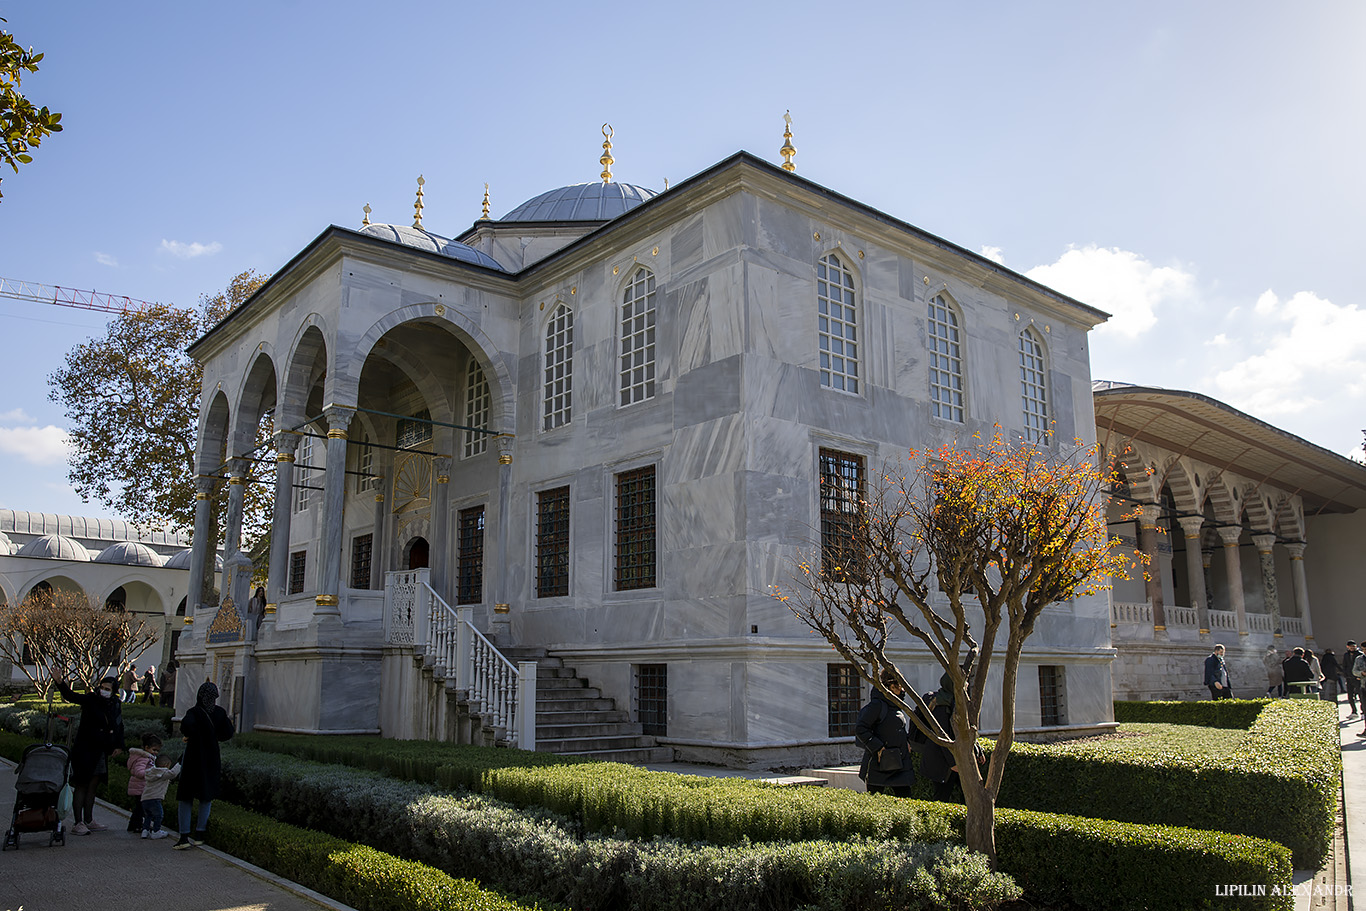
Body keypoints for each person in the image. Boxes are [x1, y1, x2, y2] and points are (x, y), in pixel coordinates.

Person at [55, 673, 125, 836]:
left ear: (113, 691)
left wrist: (119, 745)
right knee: (82, 784)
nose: (104, 691)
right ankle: (78, 822)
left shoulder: (115, 703)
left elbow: (119, 724)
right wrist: (60, 682)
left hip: (101, 750)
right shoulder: (91, 699)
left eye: (108, 689)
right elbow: (71, 696)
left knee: (93, 785)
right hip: (85, 749)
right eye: (102, 688)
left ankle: (89, 819)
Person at [174, 681, 235, 849]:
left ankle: (184, 836)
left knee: (186, 796)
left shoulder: (194, 712)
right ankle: (200, 834)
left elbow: (186, 727)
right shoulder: (220, 713)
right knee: (206, 796)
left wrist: (193, 735)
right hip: (211, 756)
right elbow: (228, 733)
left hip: (194, 755)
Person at [854, 669, 916, 797]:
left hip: (899, 764)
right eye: (900, 686)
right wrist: (878, 747)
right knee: (876, 802)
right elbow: (861, 728)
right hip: (879, 764)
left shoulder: (895, 705)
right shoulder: (877, 705)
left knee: (905, 800)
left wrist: (906, 741)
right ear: (892, 687)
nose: (903, 691)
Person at [140, 751, 180, 840]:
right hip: (155, 798)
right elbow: (173, 773)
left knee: (148, 816)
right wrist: (179, 763)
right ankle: (156, 831)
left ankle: (145, 831)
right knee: (159, 815)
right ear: (166, 765)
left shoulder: (151, 772)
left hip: (145, 798)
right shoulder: (162, 773)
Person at [125, 733, 160, 833]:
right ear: (146, 747)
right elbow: (138, 772)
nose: (156, 752)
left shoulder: (147, 757)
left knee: (139, 808)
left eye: (157, 750)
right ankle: (137, 825)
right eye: (154, 750)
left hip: (140, 786)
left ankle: (134, 825)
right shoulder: (143, 758)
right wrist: (150, 773)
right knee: (141, 808)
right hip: (140, 787)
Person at [1344, 642, 1361, 719]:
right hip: (1349, 678)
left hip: (1358, 678)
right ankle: (1354, 711)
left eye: (1354, 647)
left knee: (1361, 696)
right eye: (1351, 647)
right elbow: (1345, 665)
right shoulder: (1346, 655)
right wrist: (1346, 675)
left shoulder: (1359, 655)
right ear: (1348, 647)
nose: (1352, 648)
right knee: (1350, 696)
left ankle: (1363, 711)